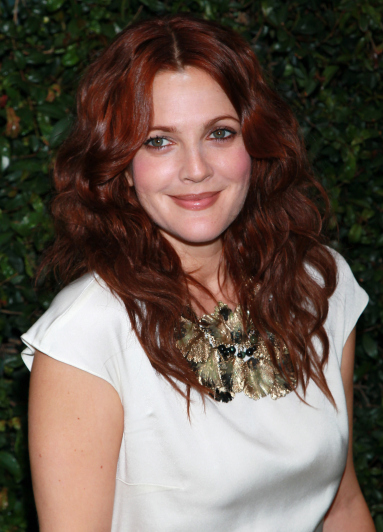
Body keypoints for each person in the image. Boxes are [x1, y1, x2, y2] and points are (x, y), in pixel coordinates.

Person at [21, 14, 375, 532]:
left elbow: (341, 506)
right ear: (119, 164)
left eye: (220, 133)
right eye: (159, 141)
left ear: (254, 142)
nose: (195, 168)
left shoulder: (320, 287)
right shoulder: (86, 334)